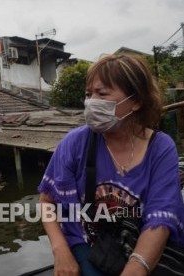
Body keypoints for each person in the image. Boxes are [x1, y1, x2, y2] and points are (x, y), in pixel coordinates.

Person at [38, 54, 184, 275]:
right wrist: (61, 251)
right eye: (89, 94)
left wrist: (137, 267)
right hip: (89, 243)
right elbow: (46, 201)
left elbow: (160, 217)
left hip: (141, 240)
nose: (91, 101)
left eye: (102, 94)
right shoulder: (75, 143)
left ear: (135, 101)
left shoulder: (160, 148)